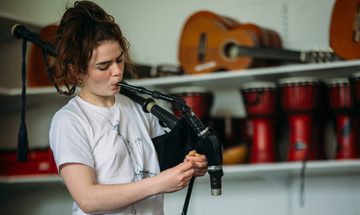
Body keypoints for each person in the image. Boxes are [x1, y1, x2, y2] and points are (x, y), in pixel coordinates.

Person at [49, 1, 208, 214]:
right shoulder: (69, 120)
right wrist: (159, 183)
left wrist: (190, 165)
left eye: (120, 60)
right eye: (103, 66)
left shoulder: (141, 107)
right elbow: (88, 198)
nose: (116, 72)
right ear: (76, 71)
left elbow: (165, 168)